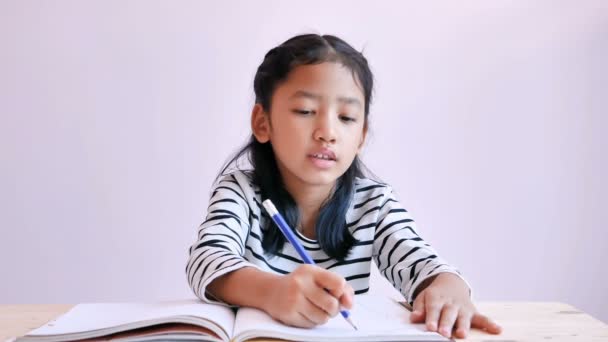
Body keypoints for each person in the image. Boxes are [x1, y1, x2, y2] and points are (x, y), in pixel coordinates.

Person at [186, 33, 502, 339]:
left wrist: (448, 288)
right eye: (306, 111)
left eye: (347, 117)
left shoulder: (373, 203)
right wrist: (272, 292)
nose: (327, 132)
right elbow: (206, 261)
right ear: (262, 123)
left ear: (362, 136)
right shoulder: (240, 191)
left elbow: (422, 263)